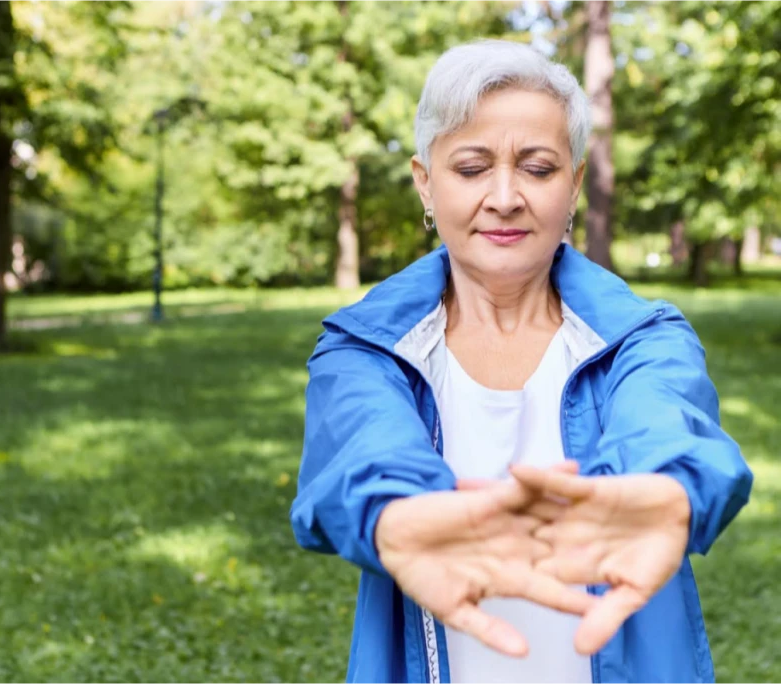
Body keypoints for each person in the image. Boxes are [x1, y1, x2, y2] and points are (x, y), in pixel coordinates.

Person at [290, 39, 753, 684]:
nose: (505, 197)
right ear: (425, 183)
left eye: (537, 168)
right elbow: (363, 453)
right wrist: (394, 513)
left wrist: (669, 488)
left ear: (575, 184)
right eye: (471, 167)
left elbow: (666, 425)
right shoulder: (363, 348)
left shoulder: (647, 337)